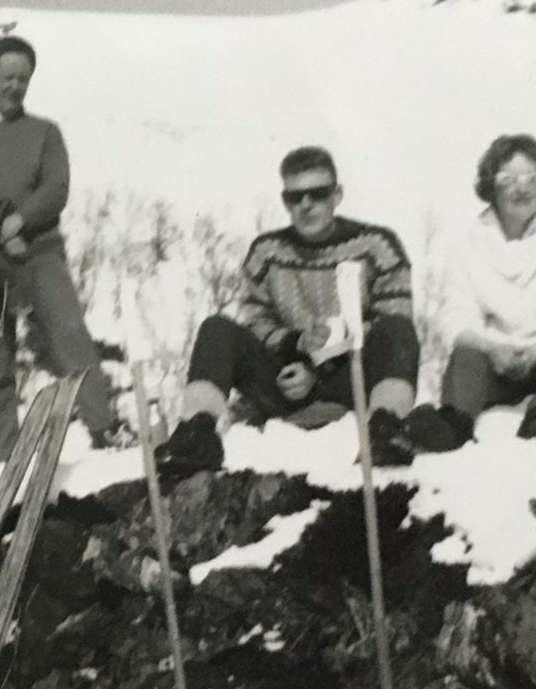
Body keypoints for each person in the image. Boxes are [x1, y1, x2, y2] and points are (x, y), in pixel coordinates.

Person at [155, 145, 419, 477]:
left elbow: (393, 318)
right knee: (217, 329)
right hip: (285, 378)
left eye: (317, 194)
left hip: (349, 377)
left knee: (398, 332)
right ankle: (197, 432)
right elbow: (255, 319)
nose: (306, 205)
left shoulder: (377, 246)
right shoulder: (267, 251)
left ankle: (387, 431)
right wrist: (295, 344)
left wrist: (320, 362)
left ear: (337, 195)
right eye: (295, 198)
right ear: (285, 201)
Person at [0, 34, 120, 459]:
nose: (15, 86)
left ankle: (103, 427)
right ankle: (9, 451)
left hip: (39, 251)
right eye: (6, 77)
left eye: (23, 78)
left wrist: (20, 221)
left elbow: (56, 188)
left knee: (70, 332)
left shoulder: (45, 133)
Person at [403, 135, 536, 452]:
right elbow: (456, 314)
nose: (523, 188)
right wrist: (491, 348)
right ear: (490, 186)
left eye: (532, 177)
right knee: (466, 356)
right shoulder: (468, 244)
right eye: (509, 179)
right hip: (501, 359)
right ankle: (453, 423)